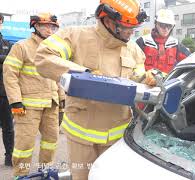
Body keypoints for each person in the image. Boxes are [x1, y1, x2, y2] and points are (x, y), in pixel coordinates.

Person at [33, 1, 152, 179]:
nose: (131, 33)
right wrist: (84, 75)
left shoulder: (134, 49)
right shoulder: (75, 36)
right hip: (81, 136)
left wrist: (148, 78)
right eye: (126, 28)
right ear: (109, 21)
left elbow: (138, 77)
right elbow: (44, 58)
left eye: (134, 28)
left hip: (116, 137)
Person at [3, 13, 65, 178]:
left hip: (51, 104)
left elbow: (57, 76)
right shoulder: (21, 47)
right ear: (35, 26)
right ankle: (20, 175)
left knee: (51, 141)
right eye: (45, 26)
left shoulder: (54, 50)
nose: (49, 30)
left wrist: (62, 98)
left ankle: (45, 172)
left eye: (52, 27)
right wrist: (15, 102)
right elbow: (10, 75)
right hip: (26, 106)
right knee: (25, 144)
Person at [136, 9, 190, 80]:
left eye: (169, 26)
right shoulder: (143, 42)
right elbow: (133, 65)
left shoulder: (175, 44)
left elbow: (190, 61)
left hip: (167, 86)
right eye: (163, 25)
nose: (166, 29)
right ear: (156, 24)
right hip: (145, 85)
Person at [0, 13, 14, 167]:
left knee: (8, 127)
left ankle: (9, 156)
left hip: (4, 93)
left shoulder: (7, 43)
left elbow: (11, 62)